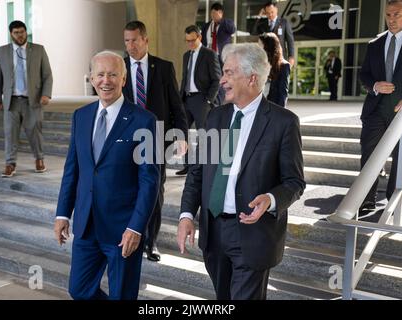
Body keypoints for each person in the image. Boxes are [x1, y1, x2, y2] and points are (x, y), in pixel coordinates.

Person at [177, 43, 305, 300]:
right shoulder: (215, 117)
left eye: (228, 73)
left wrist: (270, 199)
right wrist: (186, 215)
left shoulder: (283, 122)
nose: (221, 80)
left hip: (253, 236)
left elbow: (294, 182)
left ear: (252, 78)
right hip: (214, 233)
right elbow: (197, 173)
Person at [54, 51, 160, 300]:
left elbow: (149, 179)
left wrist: (136, 227)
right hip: (86, 224)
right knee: (79, 290)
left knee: (122, 294)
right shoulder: (81, 116)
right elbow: (73, 170)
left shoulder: (144, 121)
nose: (106, 81)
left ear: (124, 79)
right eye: (100, 74)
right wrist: (62, 213)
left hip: (123, 229)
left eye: (113, 74)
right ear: (91, 79)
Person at [122, 21, 188, 262]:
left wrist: (181, 134)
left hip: (157, 141)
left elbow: (176, 106)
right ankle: (129, 235)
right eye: (126, 41)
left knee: (154, 192)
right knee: (128, 190)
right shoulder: (118, 68)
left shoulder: (163, 67)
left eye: (134, 40)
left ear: (145, 40)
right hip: (126, 143)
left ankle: (151, 242)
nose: (130, 46)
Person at [359, 0, 402, 213]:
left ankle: (392, 201)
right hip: (376, 110)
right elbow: (363, 75)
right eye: (388, 15)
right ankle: (366, 200)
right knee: (369, 154)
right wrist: (374, 85)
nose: (392, 19)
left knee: (400, 157)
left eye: (396, 14)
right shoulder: (375, 44)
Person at [0, 20, 53, 178]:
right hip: (11, 101)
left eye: (22, 32)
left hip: (32, 100)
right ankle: (10, 164)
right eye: (16, 33)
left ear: (26, 32)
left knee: (35, 132)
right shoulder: (2, 51)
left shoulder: (38, 50)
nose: (20, 35)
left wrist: (46, 94)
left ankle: (39, 159)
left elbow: (47, 74)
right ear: (11, 34)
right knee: (10, 133)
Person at [175, 25, 221, 176]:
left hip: (202, 99)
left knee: (203, 135)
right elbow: (185, 78)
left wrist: (209, 100)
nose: (189, 43)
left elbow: (217, 79)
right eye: (187, 40)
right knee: (182, 132)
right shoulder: (185, 55)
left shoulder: (209, 54)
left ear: (200, 38)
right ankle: (188, 165)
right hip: (186, 99)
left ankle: (200, 167)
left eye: (192, 40)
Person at [251, 1, 295, 66]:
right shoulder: (262, 25)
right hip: (267, 60)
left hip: (281, 58)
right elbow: (252, 32)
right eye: (268, 13)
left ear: (276, 10)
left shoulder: (284, 23)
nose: (270, 15)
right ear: (265, 13)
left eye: (272, 12)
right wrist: (259, 16)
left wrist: (291, 56)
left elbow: (290, 41)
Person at [258, 32, 290, 107]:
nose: (258, 47)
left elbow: (283, 93)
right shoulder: (259, 63)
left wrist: (281, 113)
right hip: (259, 106)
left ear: (267, 46)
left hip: (273, 107)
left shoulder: (284, 66)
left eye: (260, 44)